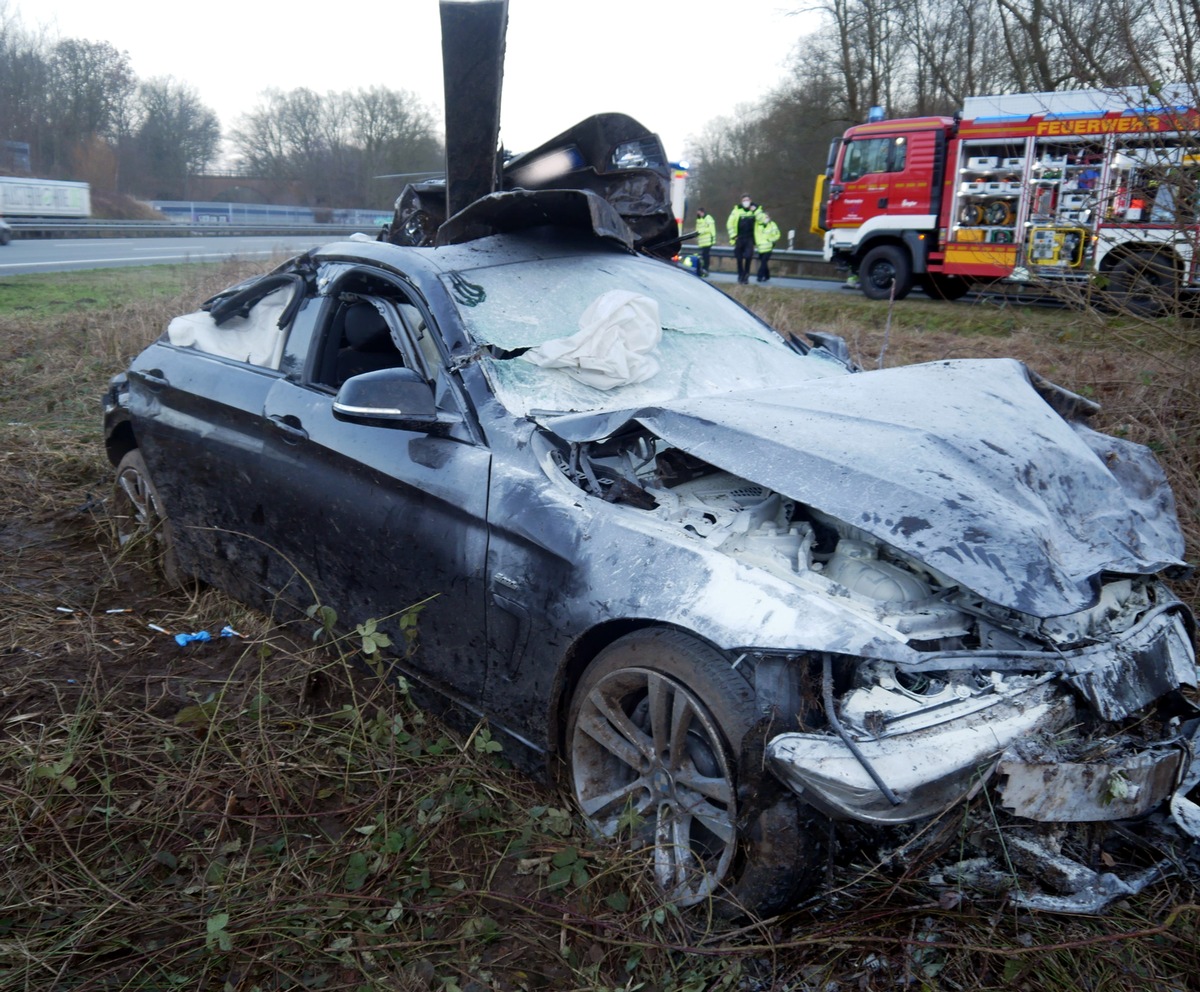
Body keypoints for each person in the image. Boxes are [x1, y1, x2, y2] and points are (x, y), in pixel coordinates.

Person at [726, 194, 762, 284]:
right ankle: (740, 275)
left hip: (750, 238)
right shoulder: (736, 210)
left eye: (747, 200)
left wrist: (756, 211)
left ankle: (746, 275)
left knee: (748, 257)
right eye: (744, 200)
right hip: (739, 238)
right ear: (741, 202)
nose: (746, 202)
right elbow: (729, 223)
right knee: (739, 258)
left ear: (750, 200)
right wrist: (733, 235)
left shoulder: (757, 210)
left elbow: (762, 220)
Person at [754, 210, 781, 282]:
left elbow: (777, 235)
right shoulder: (758, 225)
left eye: (767, 217)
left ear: (770, 218)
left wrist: (770, 240)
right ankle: (767, 276)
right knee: (764, 263)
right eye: (764, 217)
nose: (766, 218)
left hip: (768, 248)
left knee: (763, 262)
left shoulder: (773, 225)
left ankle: (759, 276)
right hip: (760, 248)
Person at [694, 207, 716, 276]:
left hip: (708, 241)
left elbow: (710, 229)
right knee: (704, 255)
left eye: (699, 213)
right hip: (702, 241)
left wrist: (700, 231)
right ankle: (703, 268)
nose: (698, 214)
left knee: (706, 255)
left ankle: (706, 268)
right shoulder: (699, 219)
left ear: (702, 212)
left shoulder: (708, 218)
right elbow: (697, 229)